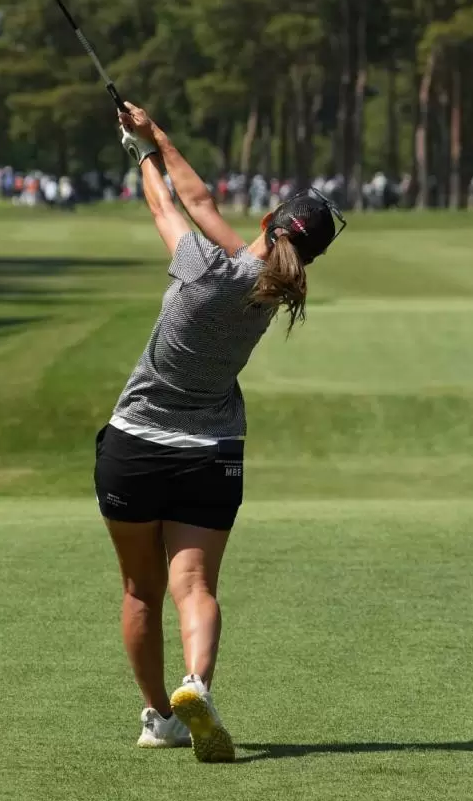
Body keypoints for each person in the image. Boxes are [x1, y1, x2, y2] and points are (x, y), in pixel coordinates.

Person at [94, 102, 345, 763]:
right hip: (209, 456)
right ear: (309, 253)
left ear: (268, 221)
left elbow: (168, 206)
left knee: (138, 589)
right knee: (196, 587)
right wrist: (154, 134)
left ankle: (157, 717)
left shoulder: (204, 268)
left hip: (134, 447)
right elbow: (199, 201)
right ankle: (194, 683)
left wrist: (141, 149)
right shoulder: (270, 289)